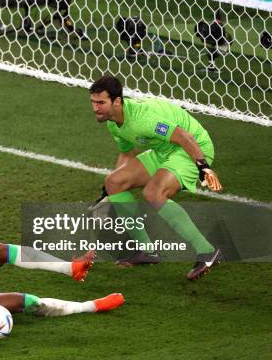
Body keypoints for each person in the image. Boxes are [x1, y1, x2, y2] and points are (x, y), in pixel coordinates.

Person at [89, 75, 223, 280]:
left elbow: (184, 137)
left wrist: (203, 167)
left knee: (153, 192)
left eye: (101, 103)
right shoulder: (113, 123)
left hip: (191, 148)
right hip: (162, 151)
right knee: (113, 182)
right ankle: (146, 251)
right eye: (93, 102)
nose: (95, 108)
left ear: (117, 101)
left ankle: (206, 250)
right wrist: (110, 193)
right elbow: (126, 154)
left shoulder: (143, 119)